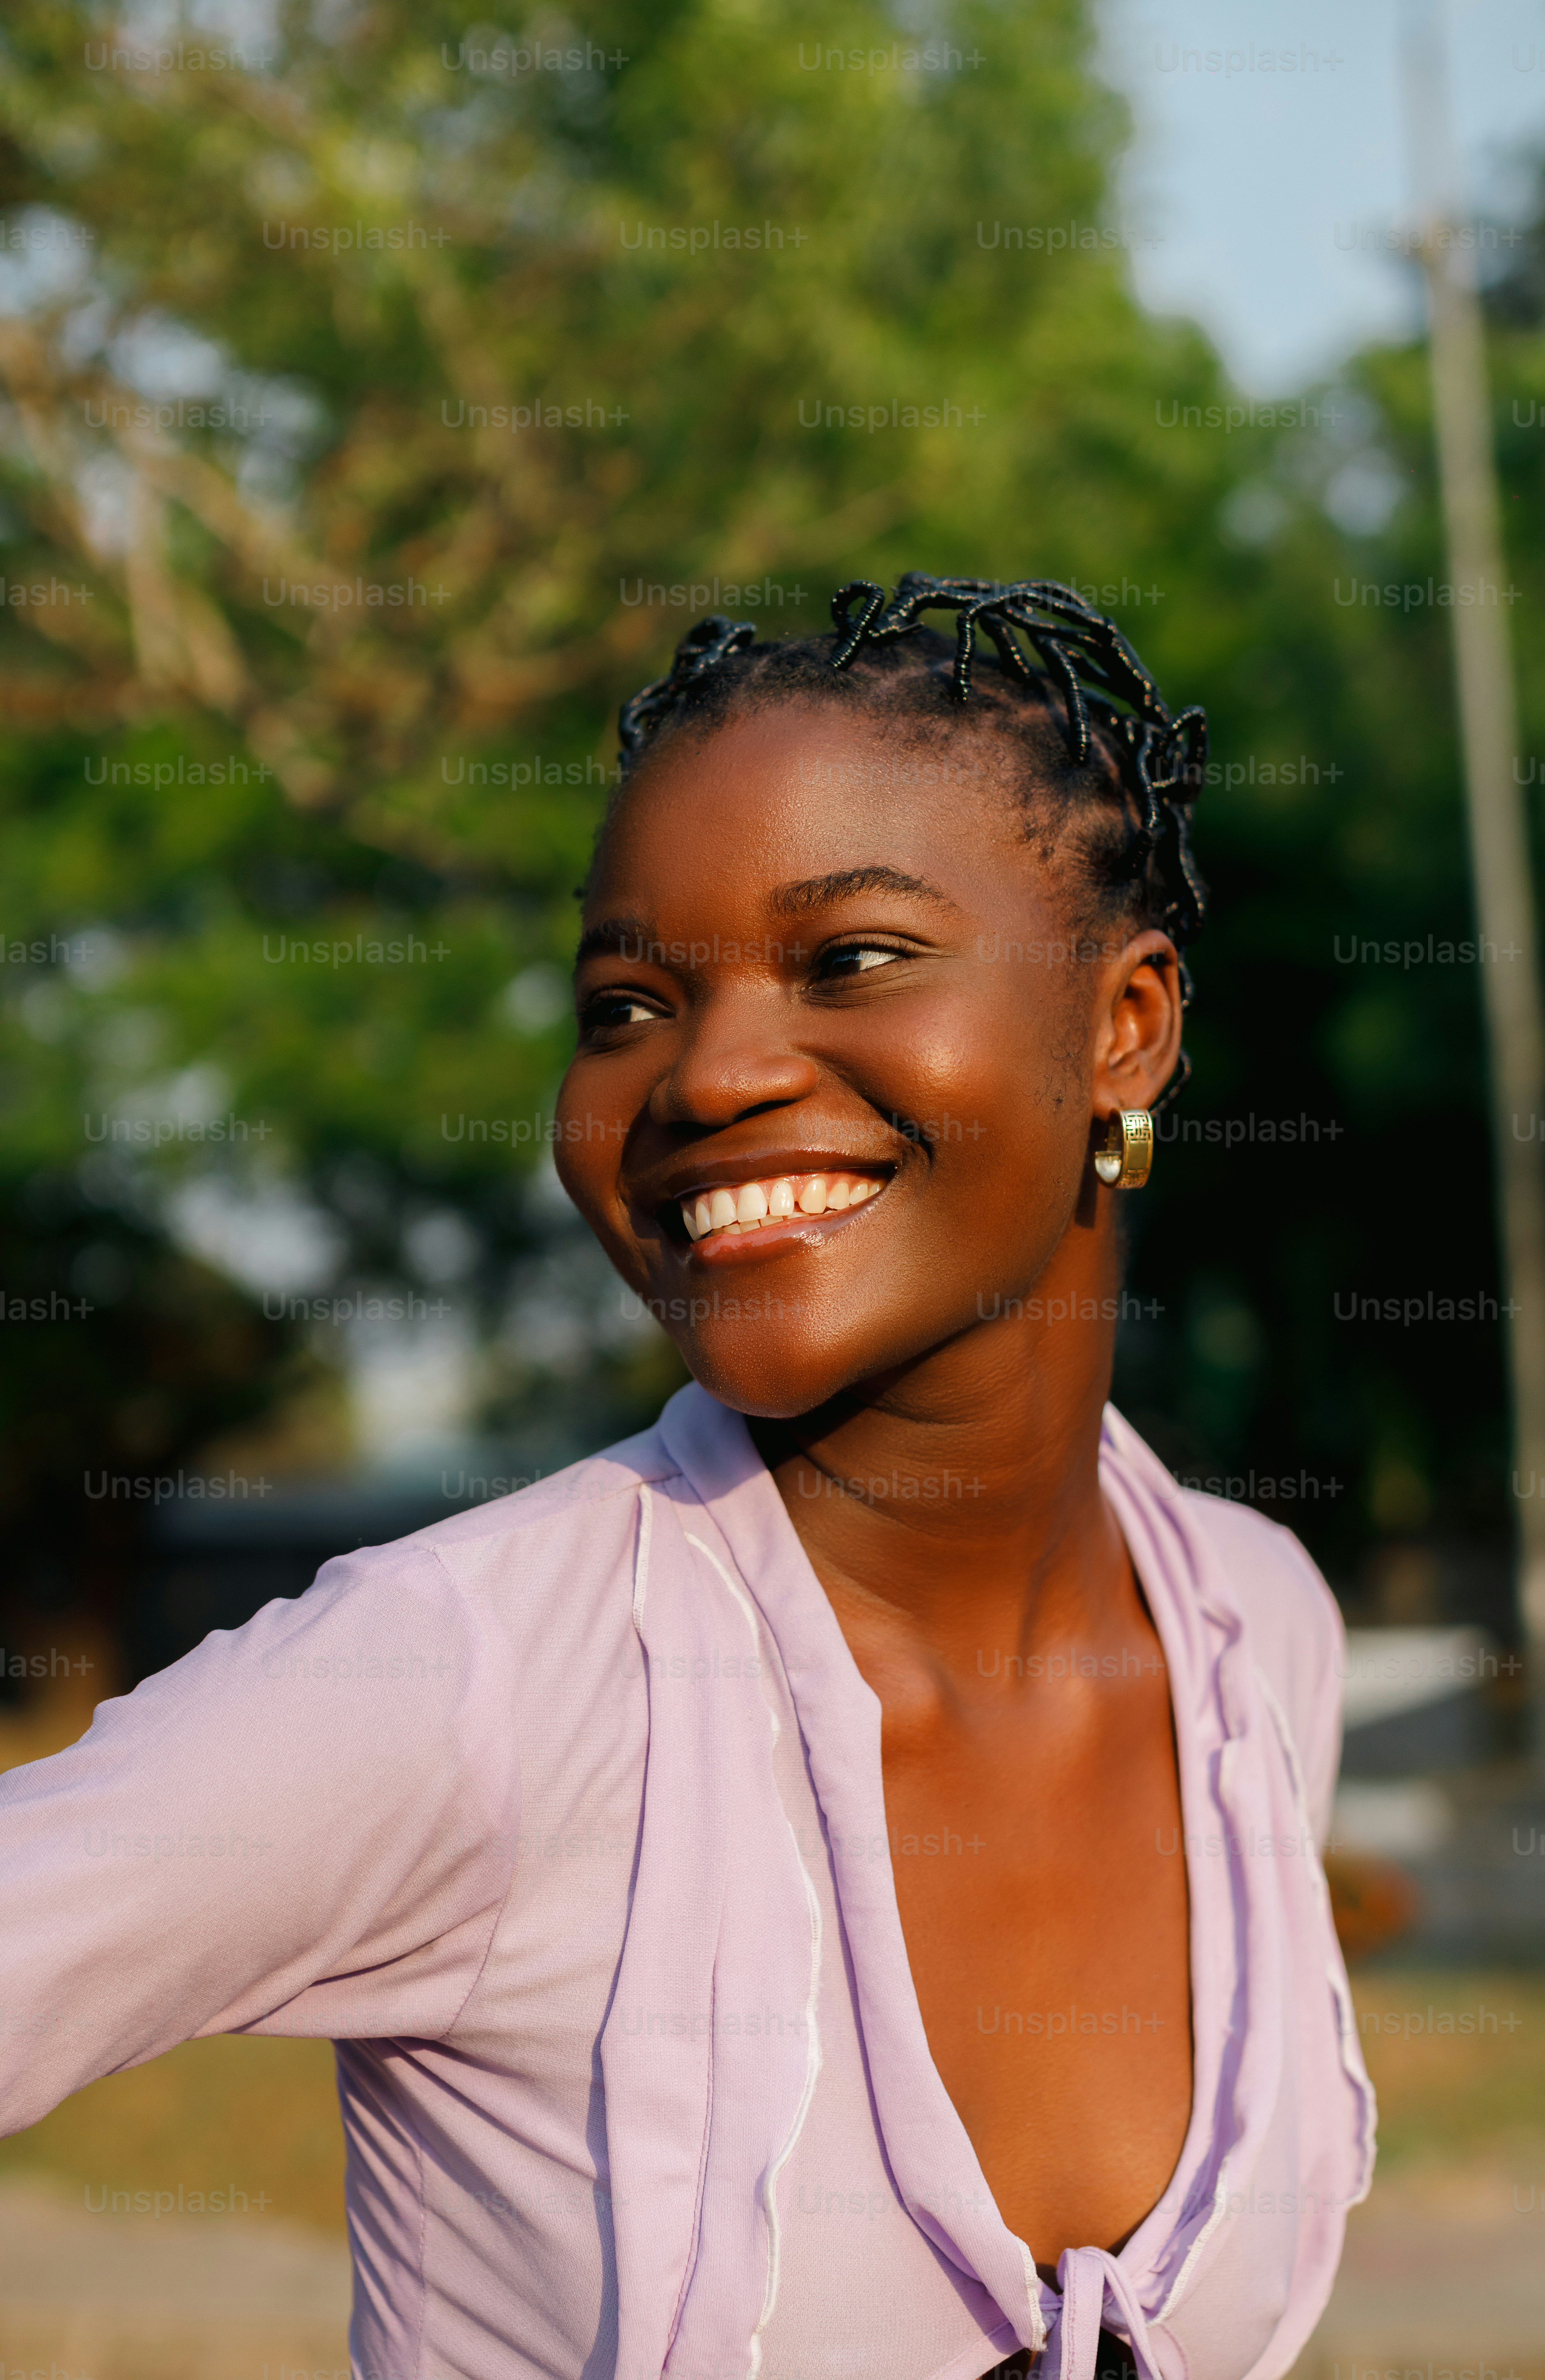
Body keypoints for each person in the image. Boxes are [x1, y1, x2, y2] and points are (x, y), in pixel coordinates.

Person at [0, 576, 1374, 2380]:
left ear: (1124, 1023)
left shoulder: (1253, 1629)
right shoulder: (470, 1681)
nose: (711, 1072)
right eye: (626, 1000)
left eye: (851, 960)